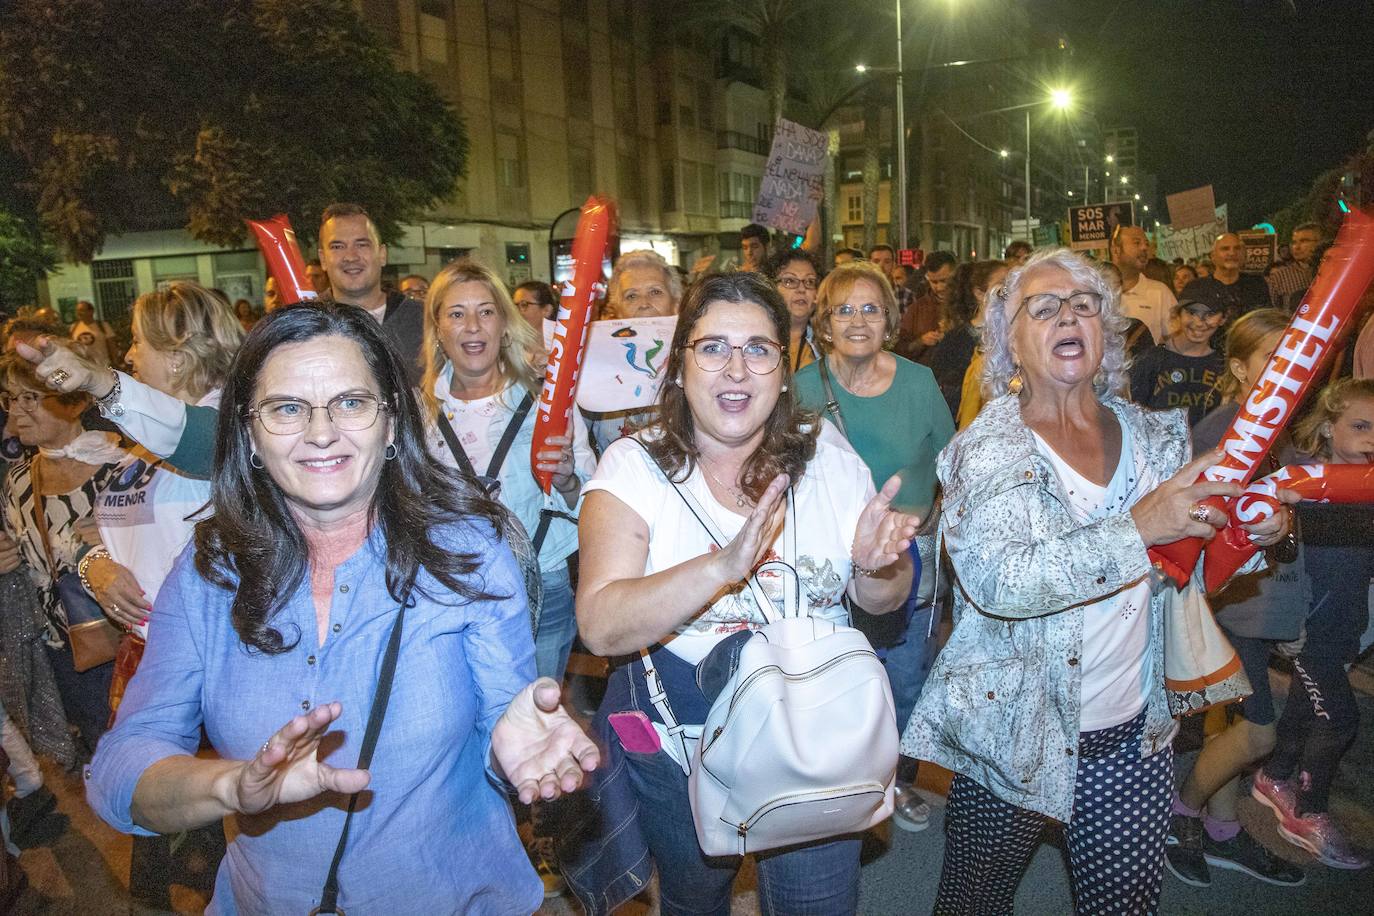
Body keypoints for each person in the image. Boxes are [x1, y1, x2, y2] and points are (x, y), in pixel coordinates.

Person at [84, 303, 598, 913]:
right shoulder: (208, 575)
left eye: (350, 402)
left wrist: (509, 750)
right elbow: (119, 768)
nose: (321, 432)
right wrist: (232, 786)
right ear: (248, 432)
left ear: (390, 424)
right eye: (286, 409)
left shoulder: (469, 553)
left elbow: (501, 732)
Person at [902, 248, 1291, 914]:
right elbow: (999, 583)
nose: (1069, 315)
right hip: (1013, 736)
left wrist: (1251, 537)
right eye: (1044, 306)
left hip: (1132, 736)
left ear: (1106, 332)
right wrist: (1138, 526)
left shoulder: (1157, 439)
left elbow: (1189, 569)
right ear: (1010, 341)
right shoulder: (983, 448)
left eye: (1085, 304)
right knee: (975, 904)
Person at [572, 272, 918, 915]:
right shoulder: (635, 465)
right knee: (695, 897)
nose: (736, 369)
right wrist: (721, 566)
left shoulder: (829, 460)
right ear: (679, 367)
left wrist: (877, 569)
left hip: (816, 740)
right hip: (685, 747)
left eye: (758, 349)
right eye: (712, 348)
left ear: (784, 372)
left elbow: (882, 604)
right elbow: (600, 624)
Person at [792, 260, 954, 834]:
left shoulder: (918, 382)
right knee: (832, 670)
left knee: (903, 674)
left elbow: (952, 460)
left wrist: (931, 517)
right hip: (826, 559)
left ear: (889, 320)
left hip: (910, 555)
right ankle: (836, 777)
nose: (858, 320)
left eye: (871, 308)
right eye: (843, 309)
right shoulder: (802, 388)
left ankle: (894, 777)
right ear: (825, 323)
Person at [1165, 309, 1307, 889]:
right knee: (1260, 732)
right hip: (1229, 609)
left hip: (1269, 603)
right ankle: (1181, 813)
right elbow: (1193, 528)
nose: (1286, 376)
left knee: (1229, 727)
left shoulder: (1292, 435)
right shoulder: (1222, 433)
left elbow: (1297, 530)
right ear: (1240, 368)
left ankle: (1223, 830)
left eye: (1296, 365)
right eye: (1273, 362)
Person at [1251, 377, 1374, 871]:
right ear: (1328, 427)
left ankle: (1275, 775)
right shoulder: (1299, 481)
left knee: (1307, 704)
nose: (1372, 437)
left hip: (1348, 622)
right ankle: (1307, 812)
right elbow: (1274, 553)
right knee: (1340, 717)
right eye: (1361, 426)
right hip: (1307, 627)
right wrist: (1283, 625)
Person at [0, 356, 134, 756]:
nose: (18, 410)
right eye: (10, 398)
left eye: (31, 397)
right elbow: (25, 564)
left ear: (74, 402)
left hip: (135, 644)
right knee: (106, 761)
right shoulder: (18, 481)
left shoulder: (123, 467)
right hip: (70, 653)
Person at [583, 249, 682, 454]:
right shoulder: (597, 363)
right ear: (617, 310)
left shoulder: (700, 360)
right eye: (631, 296)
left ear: (676, 303)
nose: (644, 304)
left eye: (655, 292)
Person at [318, 202, 424, 385]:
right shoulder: (304, 324)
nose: (350, 256)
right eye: (337, 246)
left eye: (362, 244)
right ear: (323, 259)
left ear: (382, 254)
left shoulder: (423, 320)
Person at [922, 259, 1008, 420]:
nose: (1011, 289)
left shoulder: (1019, 334)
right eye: (1003, 284)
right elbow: (945, 398)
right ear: (980, 293)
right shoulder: (956, 341)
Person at [1128, 291, 1227, 425]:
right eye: (1191, 312)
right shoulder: (1152, 359)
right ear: (1178, 314)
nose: (1198, 323)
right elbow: (1133, 415)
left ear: (1223, 319)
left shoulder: (1224, 366)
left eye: (1210, 314)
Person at [1182, 233, 1273, 320]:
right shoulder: (1196, 288)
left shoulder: (1256, 284)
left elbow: (1267, 320)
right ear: (1213, 256)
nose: (1232, 253)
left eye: (1237, 248)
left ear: (1244, 255)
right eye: (1225, 249)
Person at [1111, 225, 1177, 345]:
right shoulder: (1095, 291)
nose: (1144, 248)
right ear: (1116, 250)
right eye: (1137, 243)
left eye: (1146, 244)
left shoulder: (1160, 292)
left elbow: (1176, 340)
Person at [766, 248, 823, 373]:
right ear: (770, 288)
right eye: (790, 281)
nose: (801, 289)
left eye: (810, 282)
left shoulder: (828, 343)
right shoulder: (755, 339)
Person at [896, 249, 956, 360]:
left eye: (944, 281)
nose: (939, 287)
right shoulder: (917, 308)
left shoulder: (969, 306)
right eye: (934, 282)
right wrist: (921, 341)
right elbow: (900, 348)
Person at [1265, 222, 1322, 308]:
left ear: (1320, 242)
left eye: (1304, 241)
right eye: (1294, 242)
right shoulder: (1279, 276)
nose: (1296, 247)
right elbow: (1272, 312)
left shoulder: (1334, 272)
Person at [69, 300, 116, 368]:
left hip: (103, 366)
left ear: (91, 311)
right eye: (77, 311)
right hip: (84, 367)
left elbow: (112, 345)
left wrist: (115, 361)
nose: (79, 313)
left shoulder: (103, 326)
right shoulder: (74, 327)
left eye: (82, 310)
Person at [869, 245, 914, 314]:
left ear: (893, 265)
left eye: (887, 262)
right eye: (876, 261)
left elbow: (910, 323)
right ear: (869, 264)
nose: (881, 266)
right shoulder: (859, 293)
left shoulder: (906, 295)